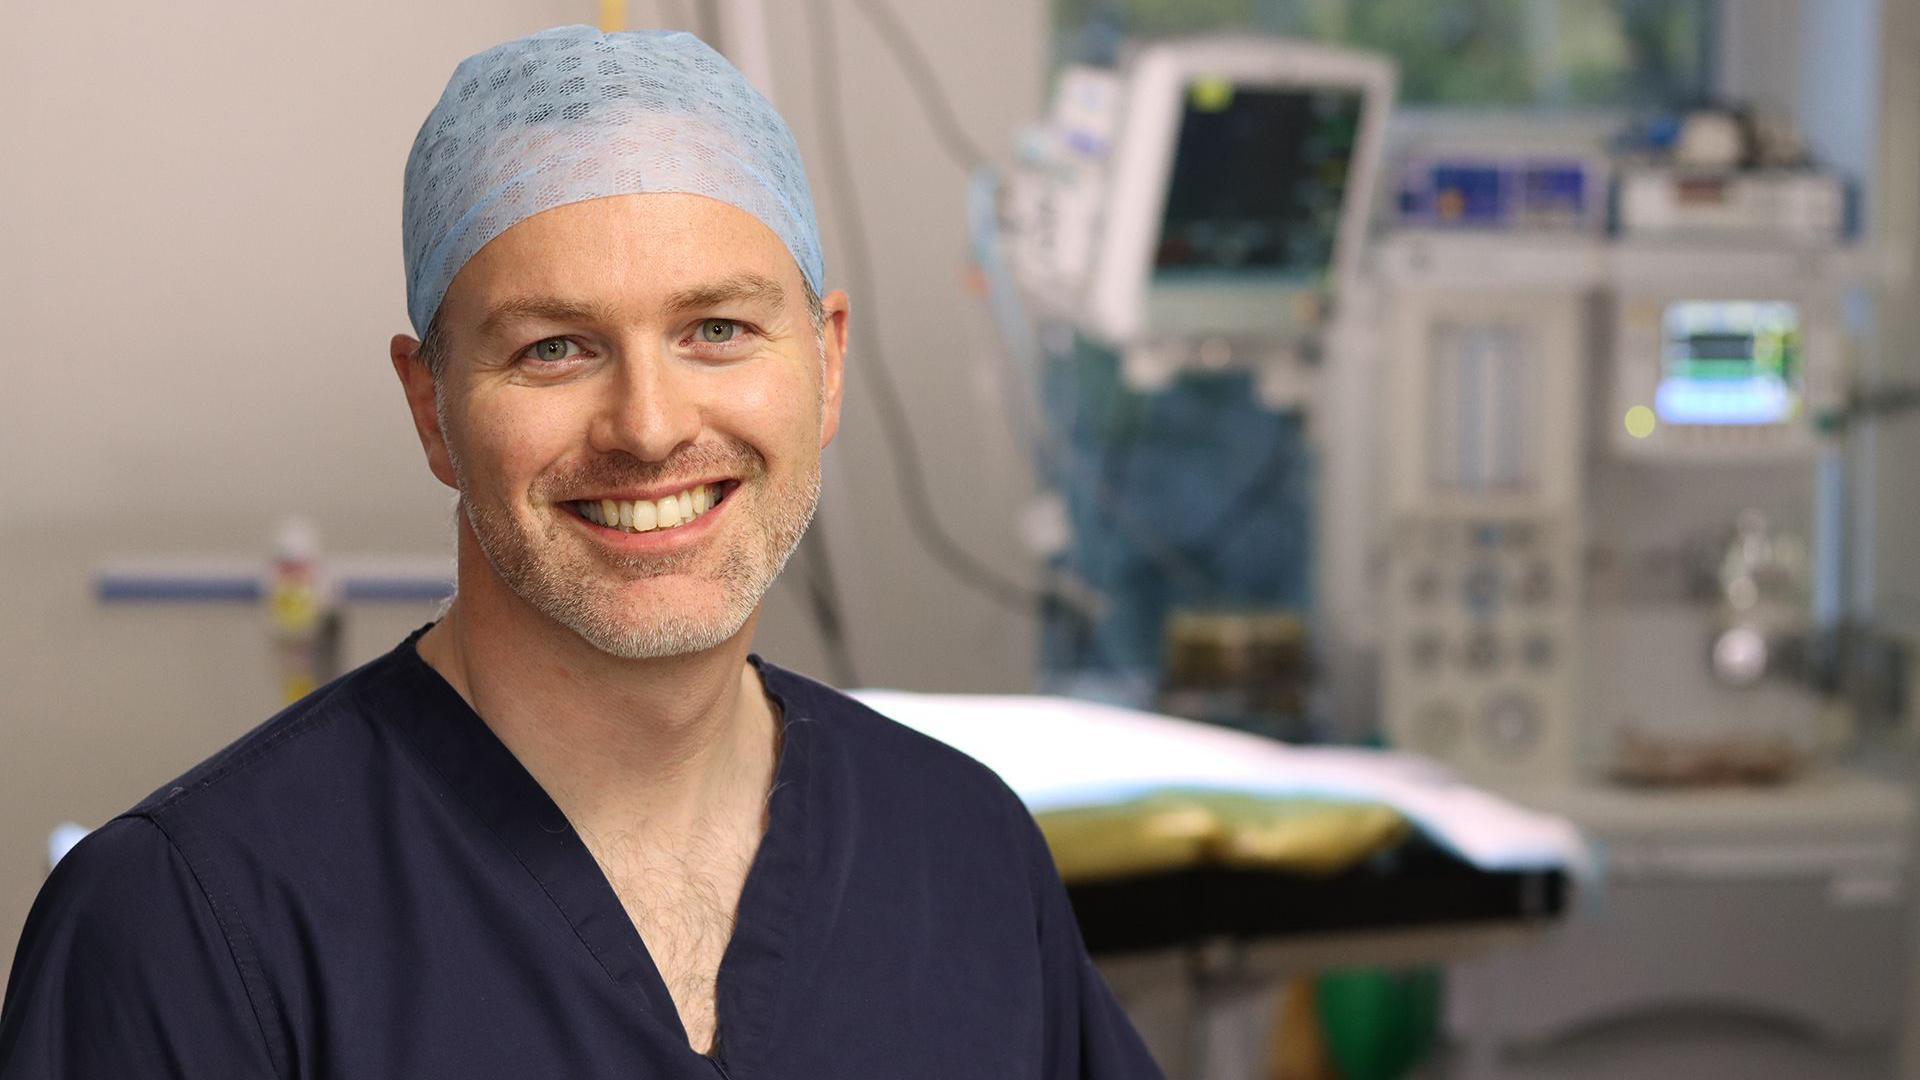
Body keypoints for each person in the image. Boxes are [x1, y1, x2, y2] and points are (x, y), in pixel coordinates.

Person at [0, 24, 1161, 1080]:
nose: (650, 426)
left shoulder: (958, 851)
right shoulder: (189, 923)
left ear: (827, 366)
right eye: (555, 348)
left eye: (717, 330)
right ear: (431, 407)